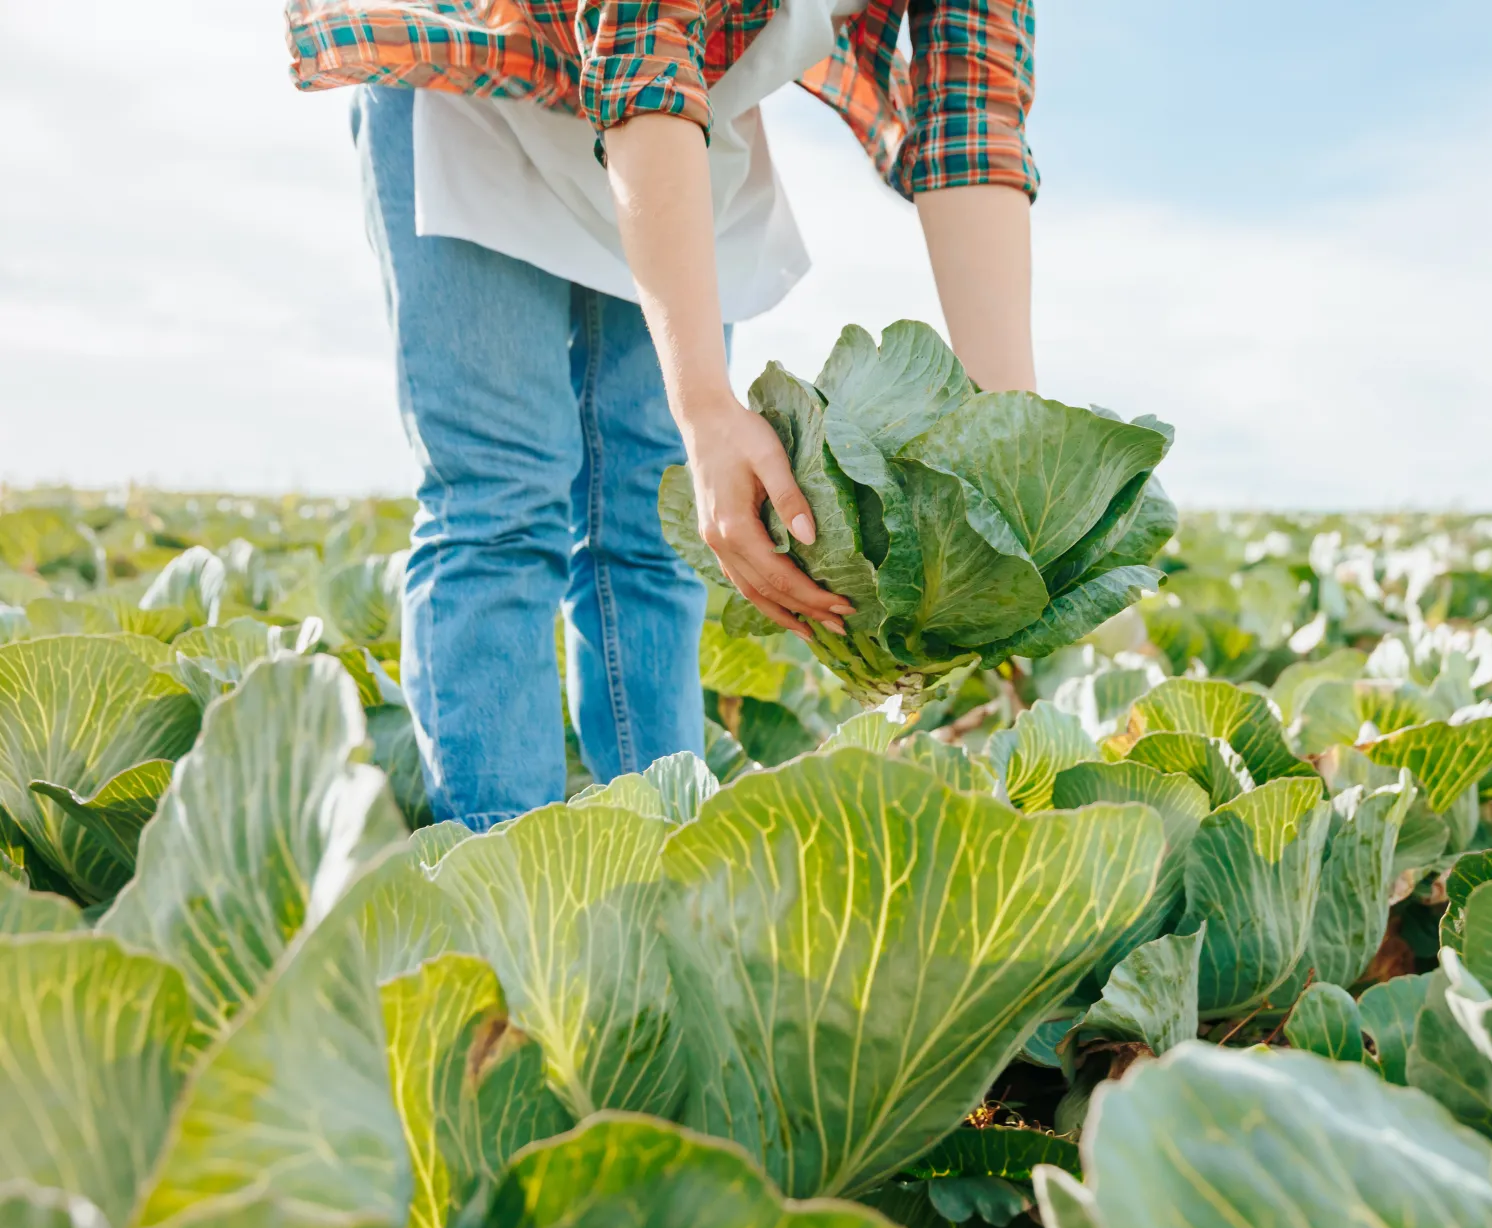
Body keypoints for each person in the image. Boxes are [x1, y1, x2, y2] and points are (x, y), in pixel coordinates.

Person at [284, 2, 1039, 829]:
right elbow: (641, 35)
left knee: (653, 524)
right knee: (501, 501)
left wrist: (1012, 442)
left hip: (680, 108)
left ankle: (662, 868)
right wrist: (706, 404)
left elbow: (971, 112)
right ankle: (496, 887)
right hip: (479, 61)